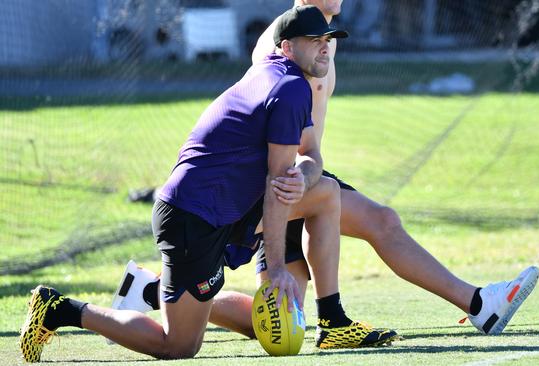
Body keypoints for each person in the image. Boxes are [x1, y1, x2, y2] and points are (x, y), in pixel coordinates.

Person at [115, 0, 539, 339]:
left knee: (279, 321)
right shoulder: (283, 44)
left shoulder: (321, 40)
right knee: (380, 220)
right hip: (268, 185)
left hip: (294, 175)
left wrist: (309, 170)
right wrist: (297, 183)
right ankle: (471, 306)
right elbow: (274, 142)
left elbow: (308, 144)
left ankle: (152, 292)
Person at [19, 6, 397, 363]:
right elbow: (278, 184)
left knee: (324, 196)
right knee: (179, 346)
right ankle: (60, 309)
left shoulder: (282, 76)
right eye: (314, 40)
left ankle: (331, 318)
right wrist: (277, 266)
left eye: (327, 39)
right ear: (286, 46)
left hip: (225, 208)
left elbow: (308, 157)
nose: (324, 47)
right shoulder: (289, 88)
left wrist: (305, 177)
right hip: (192, 220)